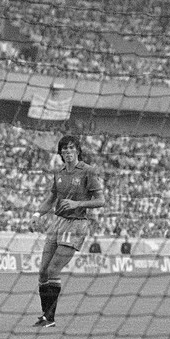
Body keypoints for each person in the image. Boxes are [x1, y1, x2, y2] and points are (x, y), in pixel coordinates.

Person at [28, 135, 105, 328]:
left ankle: (50, 318)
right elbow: (51, 197)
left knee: (54, 269)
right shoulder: (59, 172)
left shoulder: (88, 171)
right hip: (57, 223)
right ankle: (46, 317)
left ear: (77, 150)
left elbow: (100, 200)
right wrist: (37, 215)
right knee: (43, 272)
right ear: (61, 153)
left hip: (76, 223)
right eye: (64, 149)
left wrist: (77, 203)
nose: (68, 152)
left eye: (71, 148)